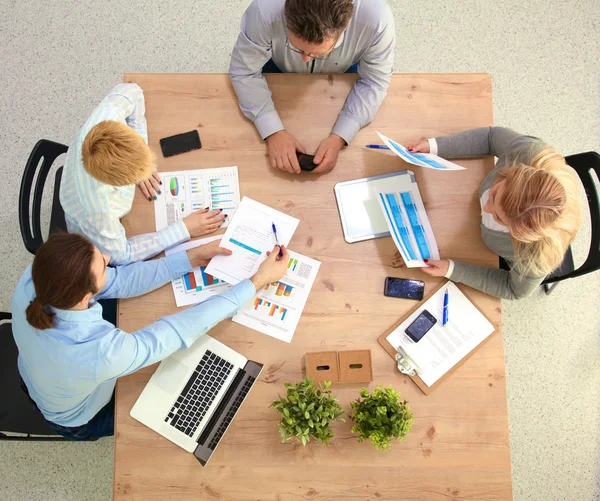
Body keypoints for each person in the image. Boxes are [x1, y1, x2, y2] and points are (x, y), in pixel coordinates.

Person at [11, 232, 288, 440]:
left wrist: (188, 259)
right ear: (85, 298)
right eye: (103, 266)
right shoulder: (101, 352)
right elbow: (175, 331)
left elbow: (121, 280)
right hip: (77, 418)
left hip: (40, 374)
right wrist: (256, 282)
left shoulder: (35, 276)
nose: (109, 259)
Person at [60, 83, 226, 266]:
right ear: (120, 184)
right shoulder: (98, 213)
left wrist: (141, 147)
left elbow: (134, 91)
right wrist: (183, 229)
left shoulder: (106, 117)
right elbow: (122, 255)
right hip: (85, 234)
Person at [408, 127, 582, 300]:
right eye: (494, 193)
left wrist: (453, 270)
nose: (486, 209)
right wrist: (436, 146)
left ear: (521, 234)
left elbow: (514, 290)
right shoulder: (527, 152)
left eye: (499, 218)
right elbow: (490, 137)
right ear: (513, 171)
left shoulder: (537, 256)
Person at [230, 0, 395, 175]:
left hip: (344, 69)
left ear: (347, 24)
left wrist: (340, 137)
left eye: (316, 53)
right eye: (297, 48)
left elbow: (374, 82)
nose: (306, 60)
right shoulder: (263, 11)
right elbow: (244, 72)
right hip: (276, 63)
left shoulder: (377, 20)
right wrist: (273, 131)